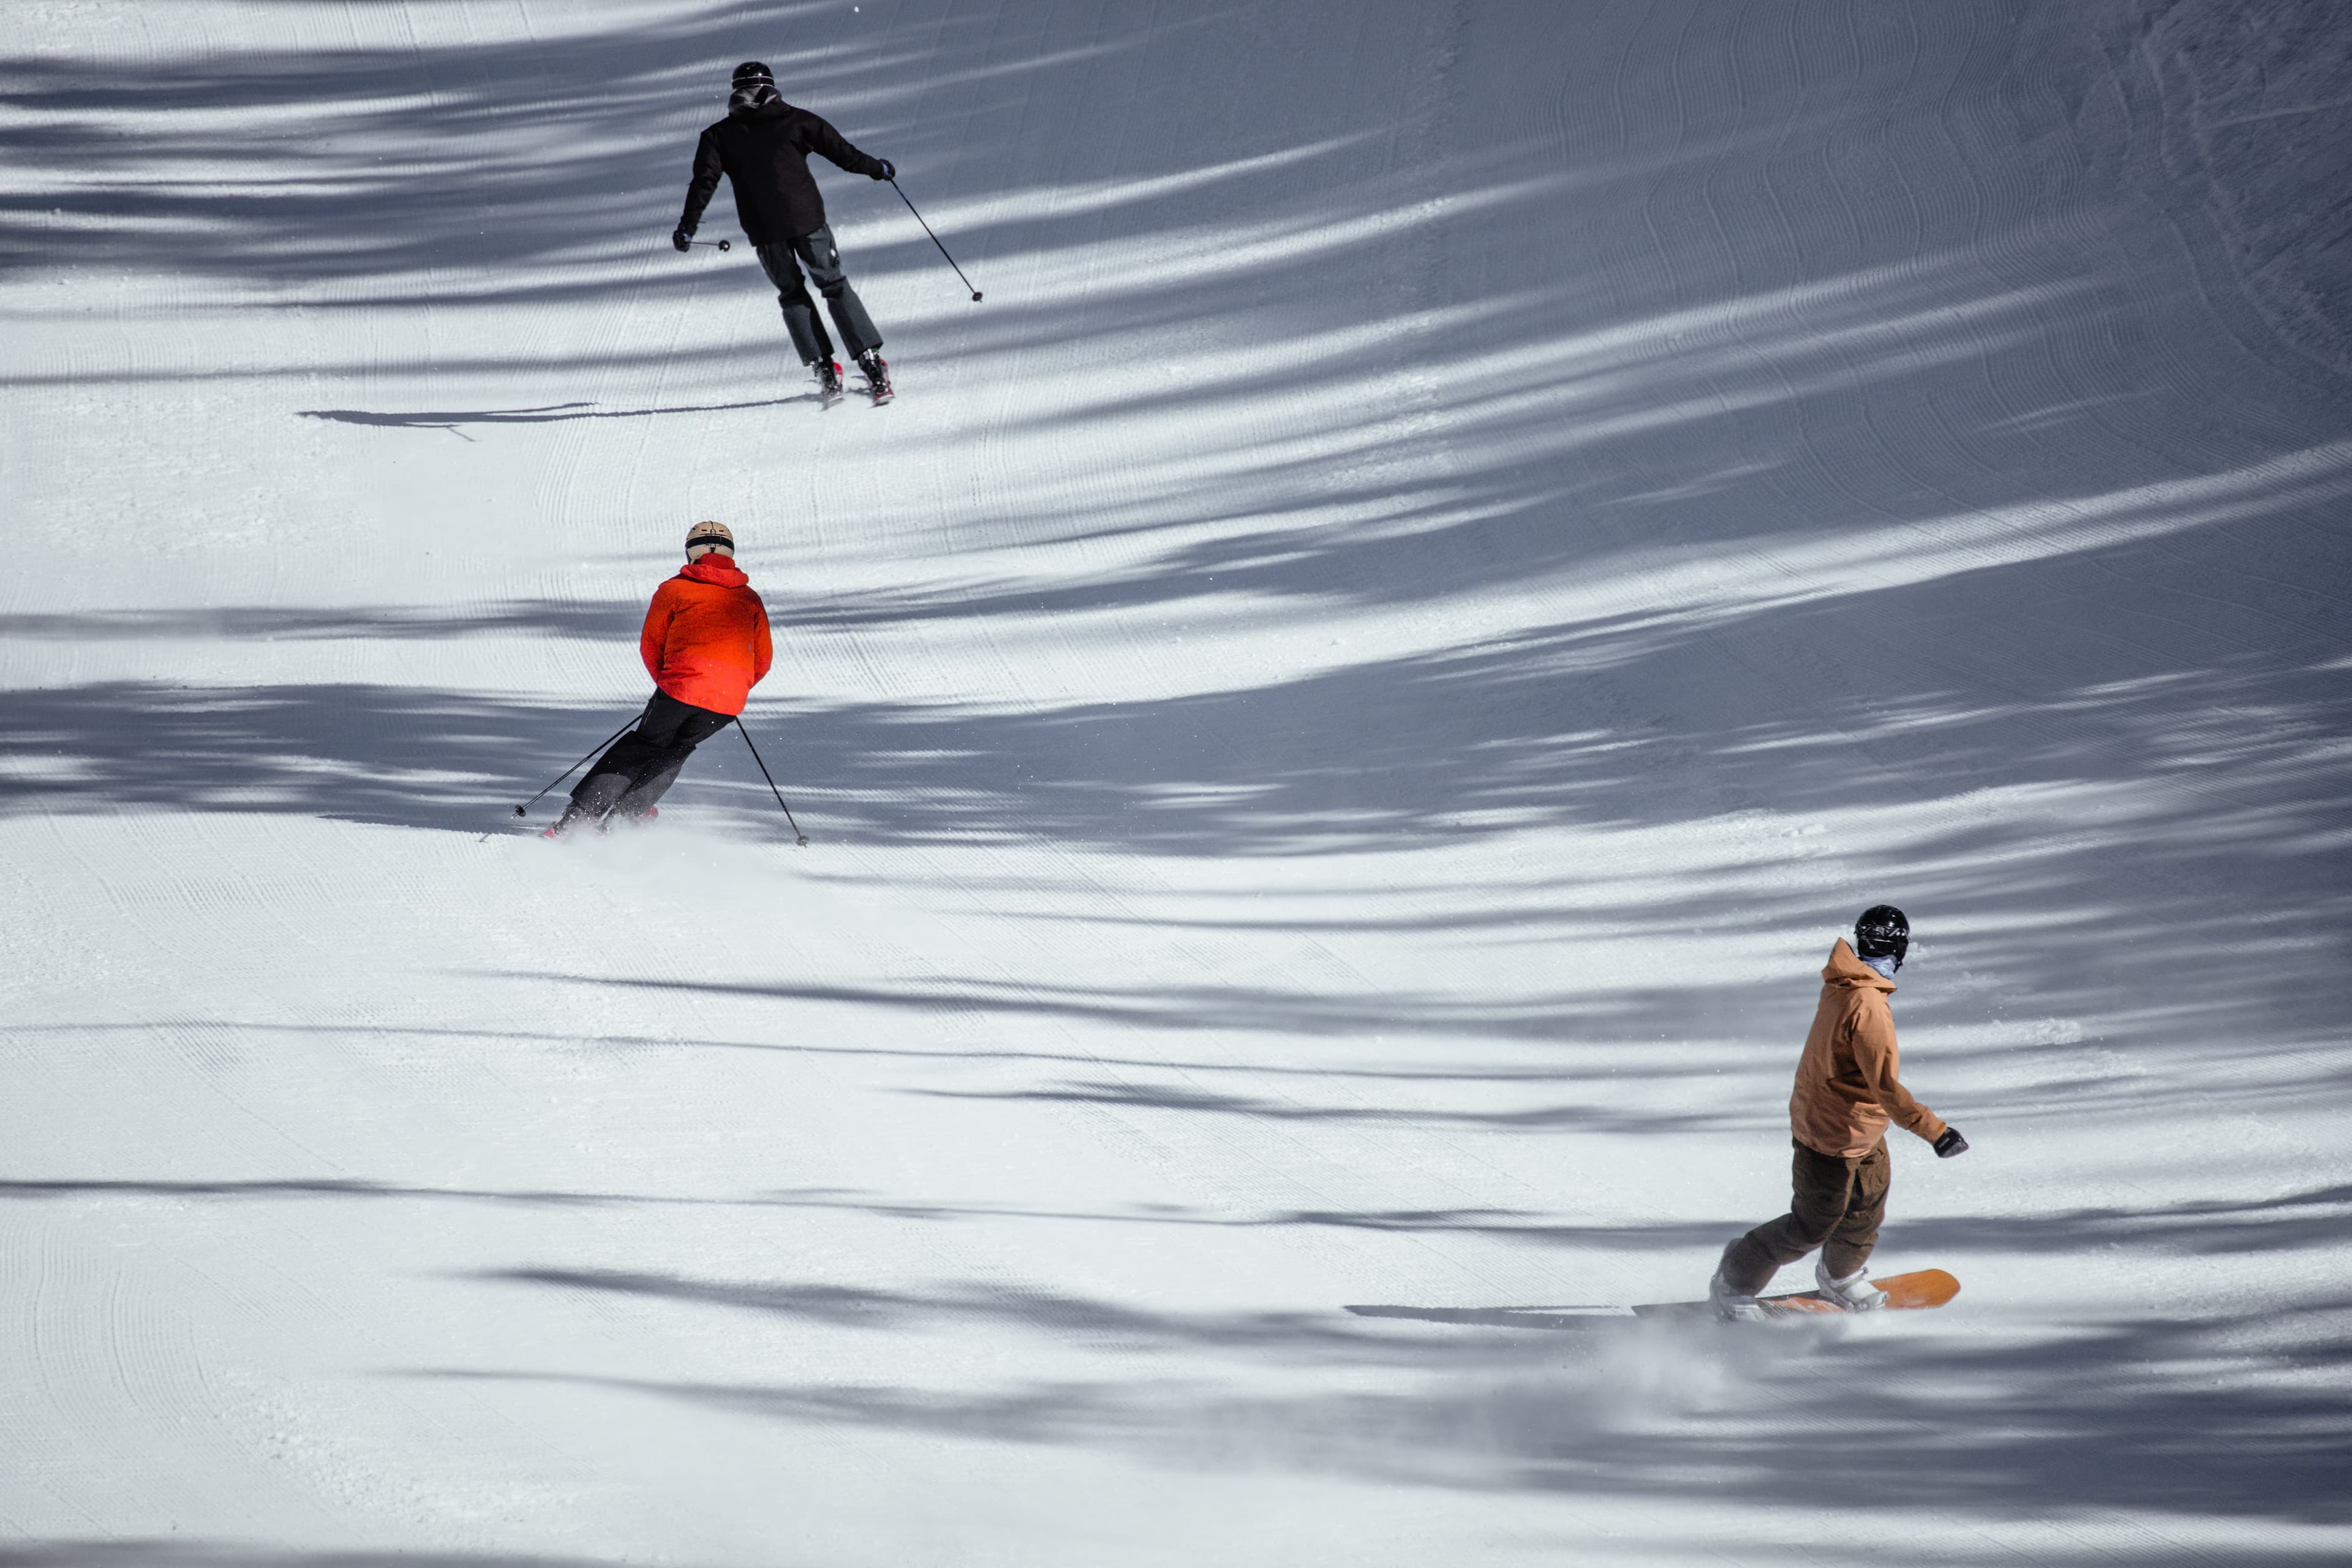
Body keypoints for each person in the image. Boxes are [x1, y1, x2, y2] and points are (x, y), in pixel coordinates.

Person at [1708, 905, 1968, 1319]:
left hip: (1860, 1126)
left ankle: (1840, 1276)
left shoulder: (1846, 982)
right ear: (1901, 951)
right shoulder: (1867, 1002)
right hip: (1830, 1133)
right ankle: (1734, 1279)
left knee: (1865, 1209)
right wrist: (1936, 1132)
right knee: (1813, 1224)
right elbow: (1886, 1087)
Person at [673, 60, 897, 404]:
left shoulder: (718, 136)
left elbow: (704, 183)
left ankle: (825, 368)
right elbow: (845, 155)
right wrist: (878, 169)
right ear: (772, 88)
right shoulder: (797, 120)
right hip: (808, 221)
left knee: (792, 294)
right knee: (833, 285)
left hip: (765, 231)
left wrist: (687, 228)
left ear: (735, 93)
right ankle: (870, 361)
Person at [545, 522, 772, 838]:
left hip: (680, 689)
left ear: (692, 553)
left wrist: (671, 685)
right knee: (677, 749)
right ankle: (624, 820)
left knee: (643, 746)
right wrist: (729, 689)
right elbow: (762, 661)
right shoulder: (749, 599)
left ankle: (579, 819)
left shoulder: (674, 590)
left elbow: (651, 646)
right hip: (727, 702)